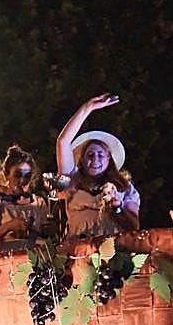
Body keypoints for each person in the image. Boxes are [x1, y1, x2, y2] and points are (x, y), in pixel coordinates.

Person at [55, 93, 141, 238]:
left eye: (100, 155)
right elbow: (62, 142)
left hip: (114, 253)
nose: (95, 160)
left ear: (109, 158)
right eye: (90, 155)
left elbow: (134, 227)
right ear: (81, 159)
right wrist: (87, 108)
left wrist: (117, 206)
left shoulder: (124, 187)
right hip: (79, 252)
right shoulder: (72, 180)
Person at [0, 145, 50, 253]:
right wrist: (8, 226)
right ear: (7, 174)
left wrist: (49, 230)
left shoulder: (38, 203)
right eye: (18, 175)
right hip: (7, 262)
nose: (22, 181)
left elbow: (45, 238)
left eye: (27, 176)